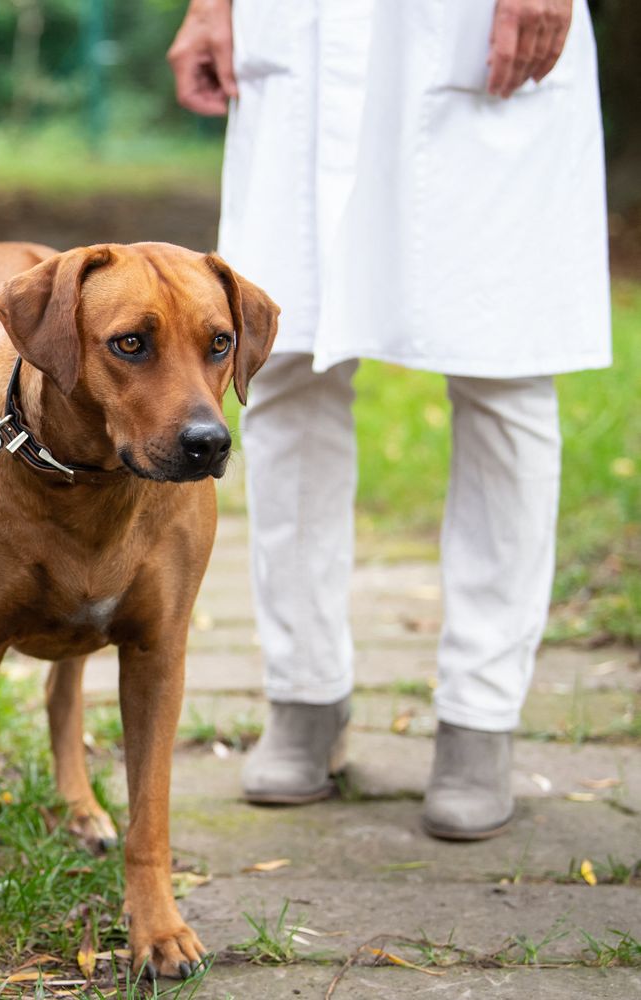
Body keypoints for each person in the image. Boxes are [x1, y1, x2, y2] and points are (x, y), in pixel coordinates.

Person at [167, 0, 611, 840]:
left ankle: (481, 715)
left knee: (502, 367)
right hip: (297, 35)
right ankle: (304, 693)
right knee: (282, 363)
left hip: (473, 32)